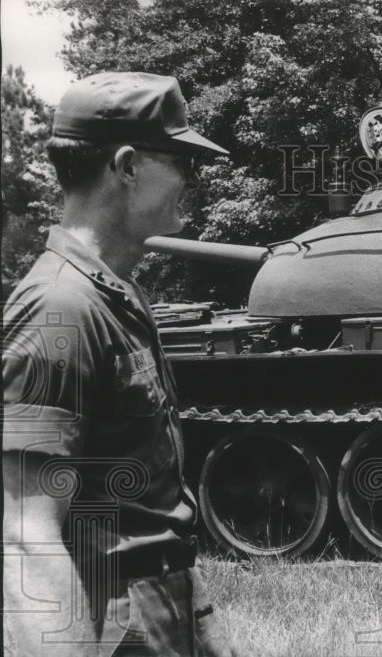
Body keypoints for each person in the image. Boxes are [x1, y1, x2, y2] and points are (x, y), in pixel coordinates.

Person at [3, 72, 234, 656]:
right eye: (180, 159)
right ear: (128, 166)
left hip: (166, 596)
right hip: (113, 616)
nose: (190, 178)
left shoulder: (115, 293)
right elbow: (27, 535)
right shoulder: (60, 308)